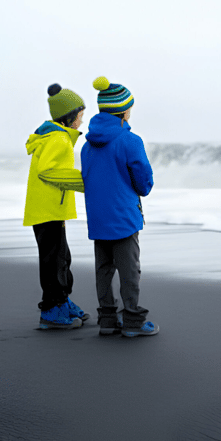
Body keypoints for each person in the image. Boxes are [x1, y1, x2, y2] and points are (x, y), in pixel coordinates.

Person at [81, 76, 158, 337]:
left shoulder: (87, 144)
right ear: (123, 111)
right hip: (123, 216)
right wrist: (143, 188)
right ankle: (133, 321)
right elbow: (143, 182)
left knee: (103, 269)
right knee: (129, 270)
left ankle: (107, 320)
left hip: (98, 216)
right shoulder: (130, 141)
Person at [24, 83, 90, 330]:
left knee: (61, 258)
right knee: (54, 261)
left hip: (48, 209)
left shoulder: (54, 136)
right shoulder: (59, 139)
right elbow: (48, 171)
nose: (81, 122)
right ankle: (51, 310)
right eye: (80, 117)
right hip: (48, 209)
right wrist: (84, 182)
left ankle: (63, 301)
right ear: (69, 116)